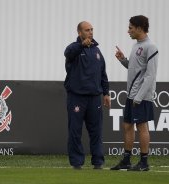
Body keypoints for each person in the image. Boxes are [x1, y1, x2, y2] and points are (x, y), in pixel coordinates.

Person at [111, 15, 158, 171]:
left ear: (139, 28)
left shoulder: (151, 47)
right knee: (127, 126)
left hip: (142, 96)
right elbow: (134, 68)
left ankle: (144, 163)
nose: (128, 31)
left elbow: (150, 75)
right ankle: (126, 160)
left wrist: (139, 96)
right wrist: (123, 59)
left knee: (141, 126)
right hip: (132, 94)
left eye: (130, 27)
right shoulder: (136, 45)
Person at [64, 21, 111, 170]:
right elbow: (68, 53)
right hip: (77, 97)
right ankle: (77, 162)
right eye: (87, 30)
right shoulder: (74, 48)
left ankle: (98, 162)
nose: (90, 32)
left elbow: (103, 73)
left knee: (96, 132)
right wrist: (81, 45)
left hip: (94, 98)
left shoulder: (97, 51)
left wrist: (106, 93)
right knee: (75, 132)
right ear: (79, 32)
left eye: (91, 29)